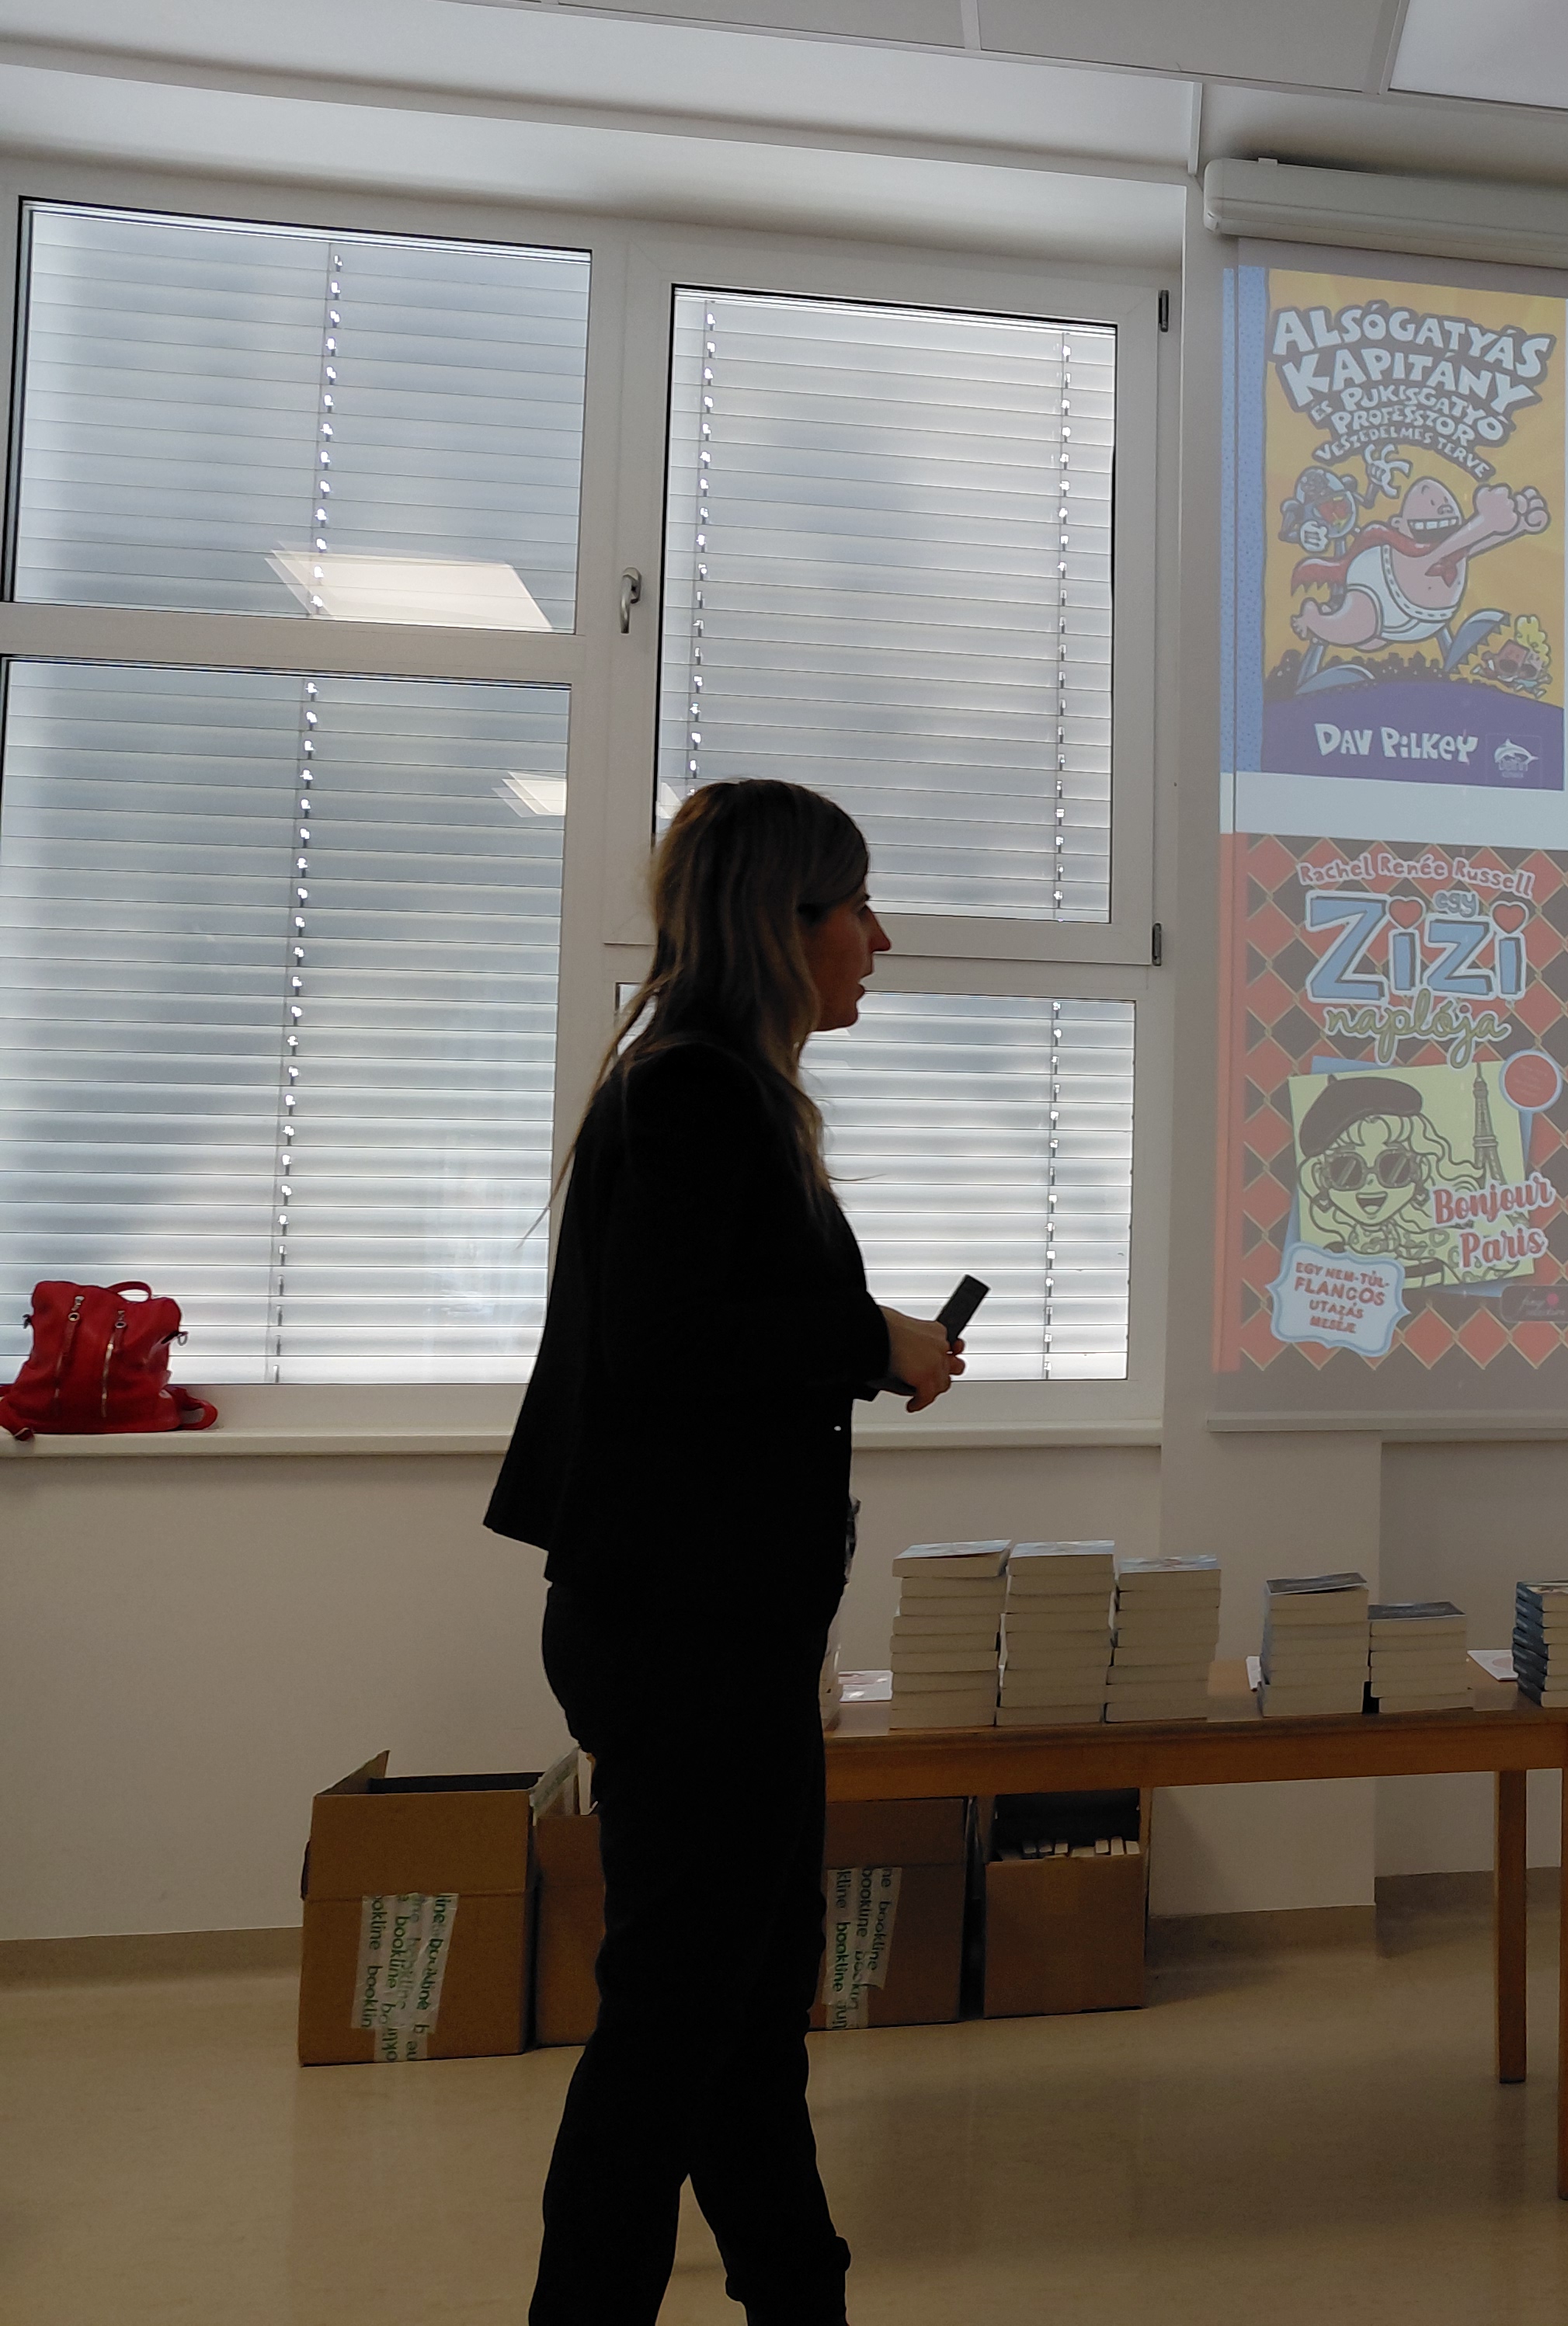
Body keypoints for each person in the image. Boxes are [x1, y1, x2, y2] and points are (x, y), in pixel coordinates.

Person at [487, 779, 963, 2325]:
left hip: (716, 1627)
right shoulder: (696, 1091)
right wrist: (870, 1338)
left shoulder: (719, 1089)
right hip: (683, 1632)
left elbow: (706, 1332)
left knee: (743, 2013)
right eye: (857, 907)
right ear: (784, 922)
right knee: (679, 2024)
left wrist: (862, 1343)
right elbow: (669, 1342)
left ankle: (800, 2298)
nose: (879, 939)